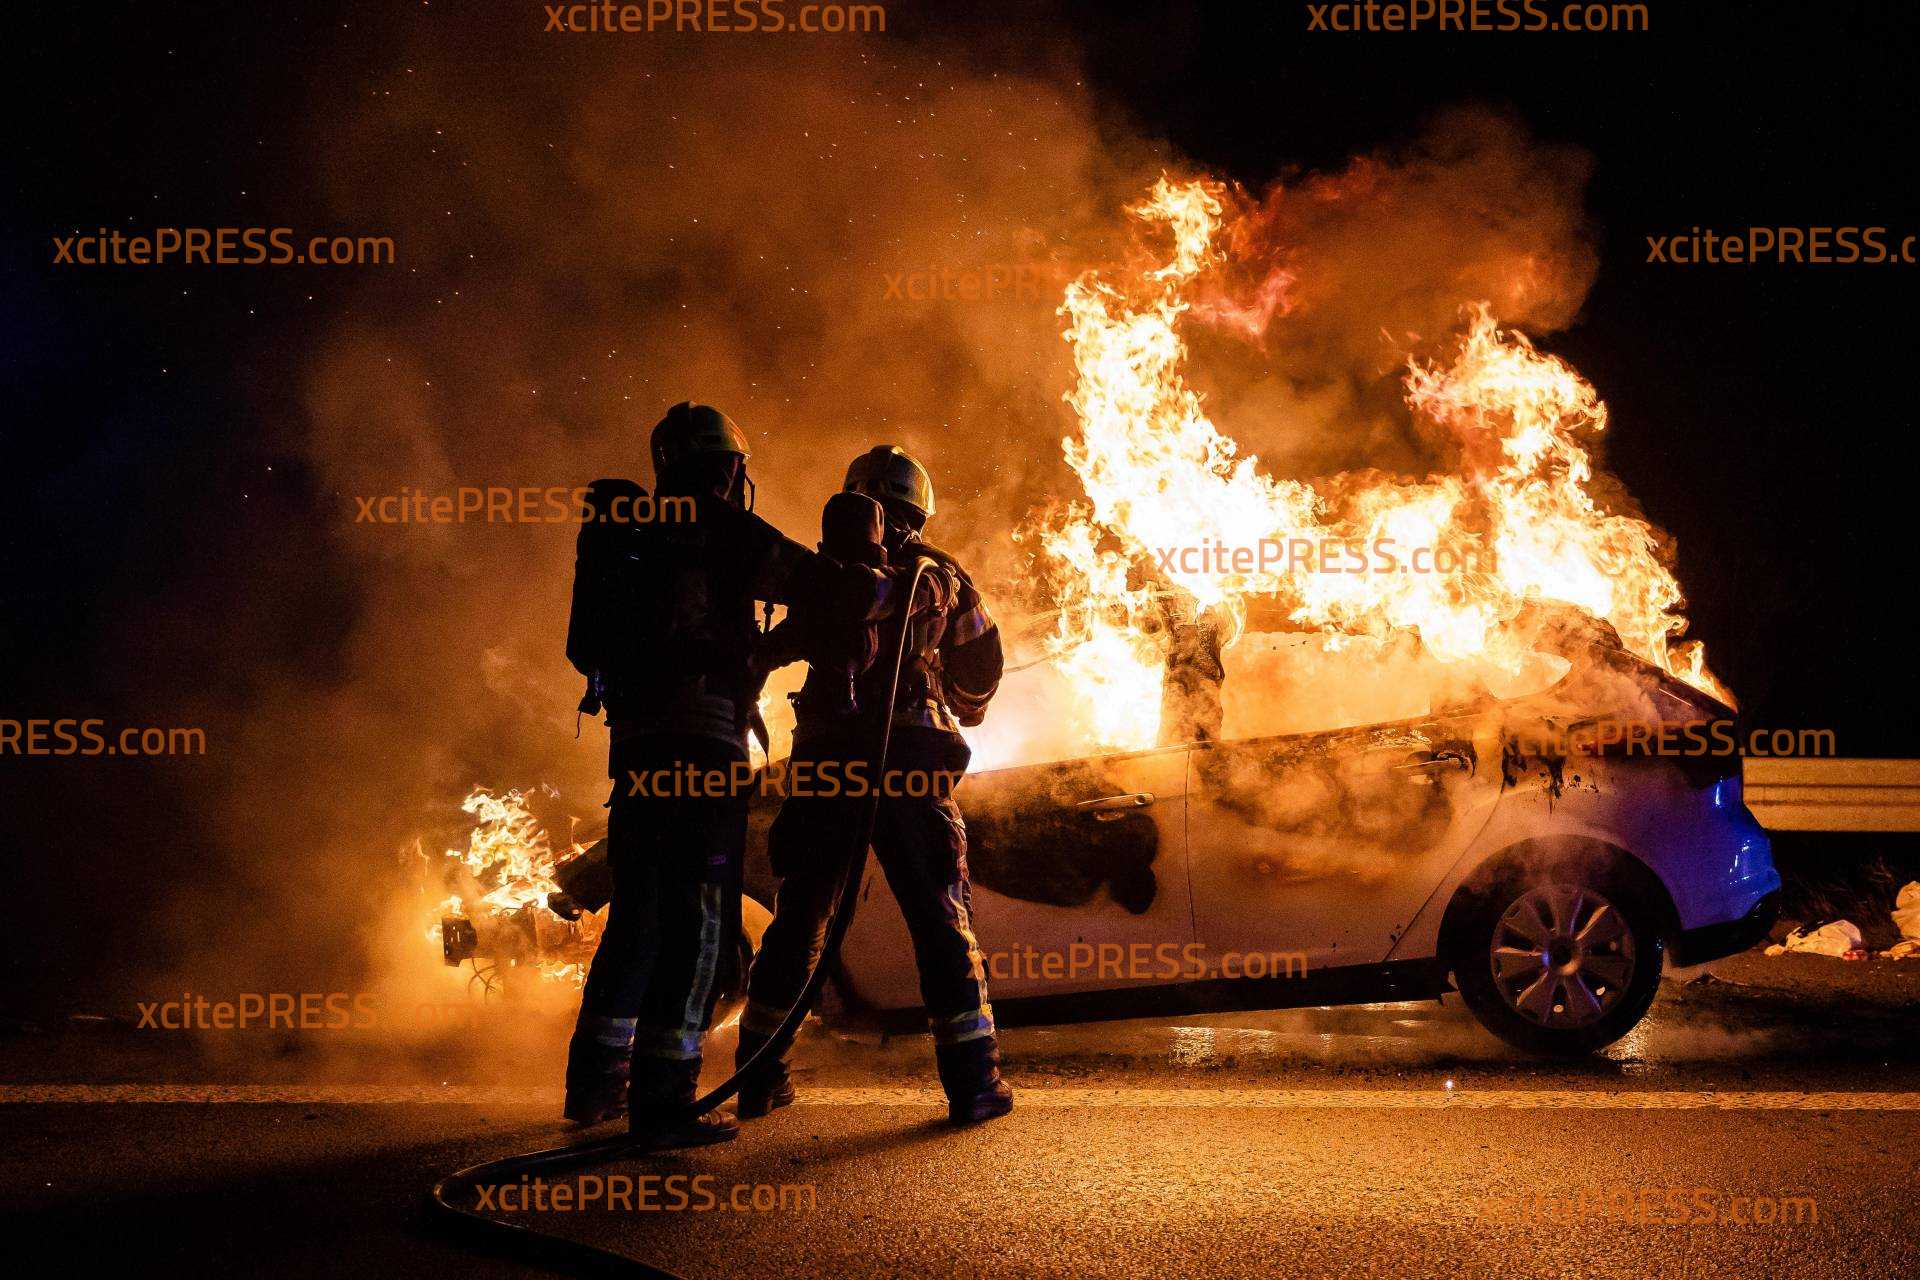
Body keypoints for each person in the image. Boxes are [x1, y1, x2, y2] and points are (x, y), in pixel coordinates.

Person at [562, 404, 924, 1147]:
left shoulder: (622, 532)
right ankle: (665, 1100)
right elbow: (827, 589)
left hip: (635, 754)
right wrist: (864, 570)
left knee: (636, 914)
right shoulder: (725, 529)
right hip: (704, 753)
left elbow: (585, 651)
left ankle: (594, 1086)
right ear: (730, 468)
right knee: (699, 920)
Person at [736, 445, 1013, 1126]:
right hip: (912, 765)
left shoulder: (829, 573)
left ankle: (759, 1077)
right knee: (941, 920)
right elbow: (982, 668)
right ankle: (975, 1085)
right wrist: (957, 699)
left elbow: (780, 645)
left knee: (800, 919)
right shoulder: (943, 575)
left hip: (831, 763)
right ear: (919, 505)